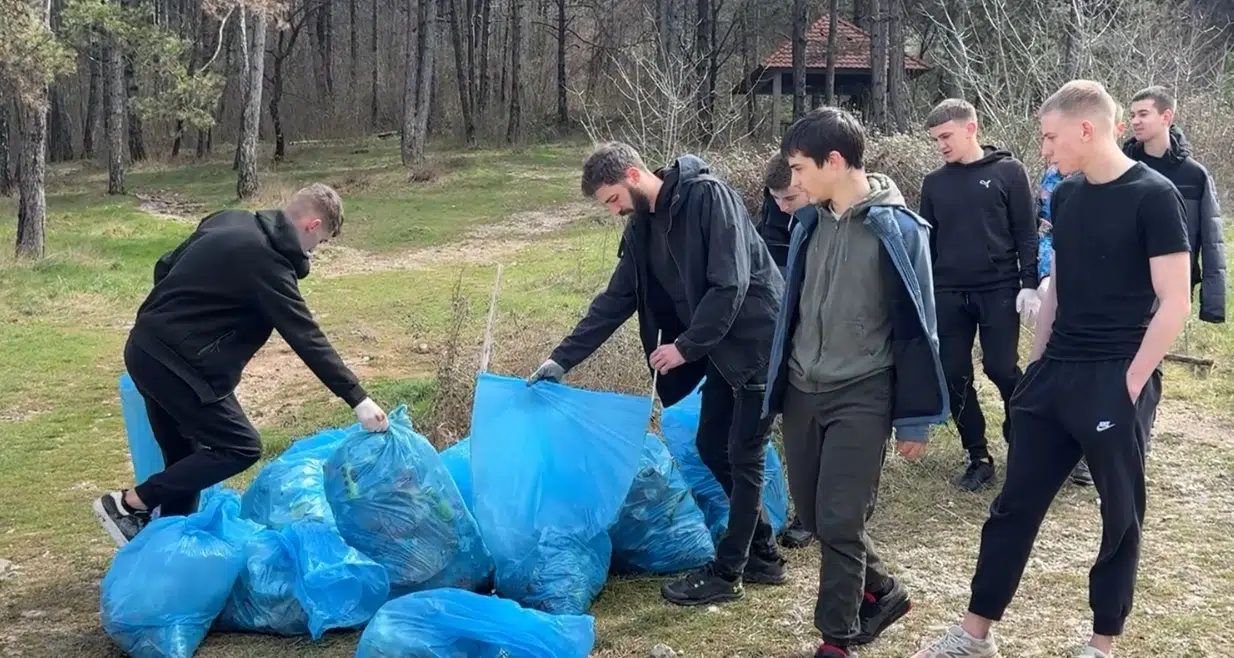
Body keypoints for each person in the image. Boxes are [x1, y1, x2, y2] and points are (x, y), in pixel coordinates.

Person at [912, 79, 1192, 658]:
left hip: (1116, 373)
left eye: (1049, 137)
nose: (1043, 149)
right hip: (1055, 372)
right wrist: (1037, 363)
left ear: (1085, 129)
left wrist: (1131, 384)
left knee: (1120, 517)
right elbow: (1057, 286)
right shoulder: (1065, 196)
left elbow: (1175, 302)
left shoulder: (1155, 195)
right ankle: (974, 635)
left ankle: (1100, 645)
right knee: (1012, 507)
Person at [527, 141, 788, 606]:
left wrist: (686, 347)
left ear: (633, 174)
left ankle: (729, 573)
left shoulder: (708, 197)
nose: (614, 210)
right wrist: (561, 360)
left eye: (613, 198)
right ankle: (763, 551)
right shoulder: (642, 227)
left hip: (756, 338)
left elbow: (731, 283)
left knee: (744, 453)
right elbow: (616, 300)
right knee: (712, 444)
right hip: (719, 347)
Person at [93, 184, 390, 548]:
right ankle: (127, 504)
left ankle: (168, 547)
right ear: (312, 225)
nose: (315, 251)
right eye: (321, 241)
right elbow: (306, 337)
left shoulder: (228, 220)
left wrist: (180, 318)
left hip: (144, 348)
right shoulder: (267, 263)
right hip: (180, 367)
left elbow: (165, 266)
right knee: (241, 446)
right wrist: (358, 398)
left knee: (185, 460)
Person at [764, 107, 949, 658]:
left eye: (800, 168)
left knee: (842, 519)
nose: (794, 181)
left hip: (864, 392)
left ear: (834, 161)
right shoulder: (807, 222)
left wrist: (915, 419)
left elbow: (920, 328)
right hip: (802, 390)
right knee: (816, 516)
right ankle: (884, 590)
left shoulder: (900, 230)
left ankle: (837, 638)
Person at [919, 98, 1039, 492]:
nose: (941, 145)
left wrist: (1029, 283)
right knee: (953, 374)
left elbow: (1026, 232)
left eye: (946, 136)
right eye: (936, 139)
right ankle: (978, 456)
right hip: (948, 291)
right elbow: (927, 243)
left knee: (1001, 368)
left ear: (970, 128)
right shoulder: (934, 183)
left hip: (999, 288)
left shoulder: (1009, 172)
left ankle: (1023, 435)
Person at [1123, 85, 1226, 324]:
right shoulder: (1123, 168)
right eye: (1132, 115)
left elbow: (1212, 242)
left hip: (1169, 288)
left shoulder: (1194, 175)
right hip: (1122, 283)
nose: (1135, 121)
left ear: (1166, 117)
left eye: (1143, 114)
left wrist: (1213, 304)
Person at [755, 153, 814, 550]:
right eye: (774, 198)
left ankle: (825, 514)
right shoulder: (773, 213)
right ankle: (805, 510)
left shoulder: (827, 217)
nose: (781, 207)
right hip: (779, 324)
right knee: (797, 427)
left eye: (789, 198)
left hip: (819, 327)